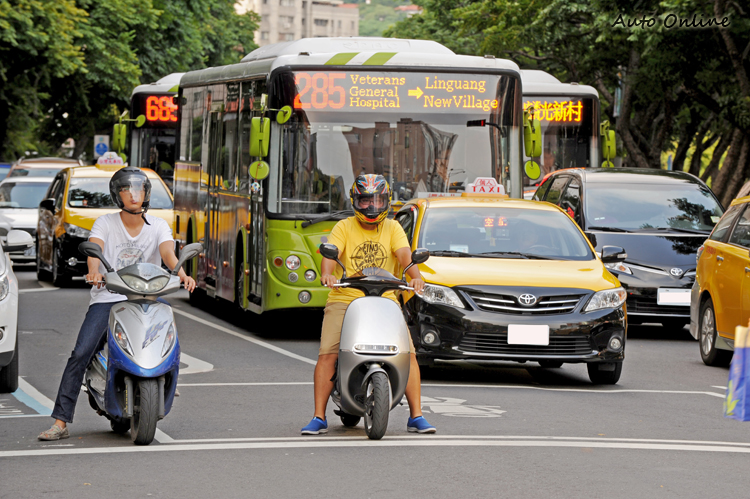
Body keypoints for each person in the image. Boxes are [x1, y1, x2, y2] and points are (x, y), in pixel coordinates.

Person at [37, 166, 196, 441]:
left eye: (139, 189)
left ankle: (163, 376)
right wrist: (94, 271)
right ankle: (60, 422)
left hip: (146, 298)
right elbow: (94, 250)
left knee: (168, 332)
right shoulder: (105, 223)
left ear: (146, 193)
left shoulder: (158, 226)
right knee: (81, 353)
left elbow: (168, 253)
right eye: (126, 189)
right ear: (117, 194)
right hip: (109, 297)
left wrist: (182, 273)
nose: (134, 195)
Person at [301, 174, 436, 435]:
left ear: (386, 201)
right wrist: (327, 274)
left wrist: (416, 277)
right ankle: (318, 416)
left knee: (408, 354)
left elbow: (405, 256)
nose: (371, 206)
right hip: (345, 298)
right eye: (365, 200)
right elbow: (330, 253)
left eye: (377, 200)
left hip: (385, 299)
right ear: (355, 201)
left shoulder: (393, 228)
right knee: (328, 353)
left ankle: (416, 415)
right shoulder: (344, 226)